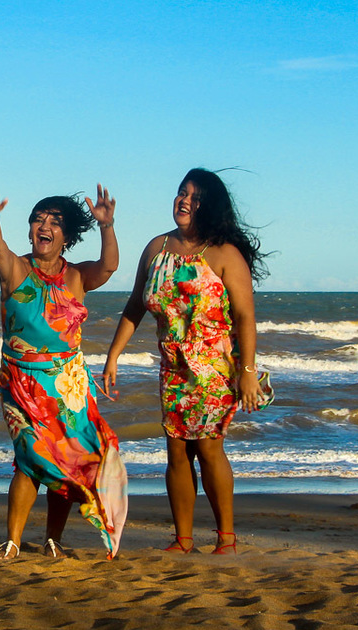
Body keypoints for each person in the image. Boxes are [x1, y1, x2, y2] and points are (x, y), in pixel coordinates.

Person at [102, 168, 268, 555]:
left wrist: (247, 374)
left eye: (194, 197)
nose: (184, 201)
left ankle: (226, 537)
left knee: (209, 447)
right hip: (173, 366)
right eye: (181, 193)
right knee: (176, 449)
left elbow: (245, 317)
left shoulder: (225, 254)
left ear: (208, 207)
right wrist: (113, 356)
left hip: (214, 368)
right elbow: (134, 307)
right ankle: (184, 539)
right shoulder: (156, 249)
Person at [0, 185, 128, 560]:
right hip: (21, 380)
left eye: (54, 222)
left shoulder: (77, 277)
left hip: (68, 384)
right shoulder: (16, 269)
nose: (44, 226)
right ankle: (12, 540)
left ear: (67, 236)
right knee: (30, 456)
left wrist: (107, 226)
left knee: (65, 461)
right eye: (38, 220)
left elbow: (108, 266)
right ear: (29, 230)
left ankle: (53, 539)